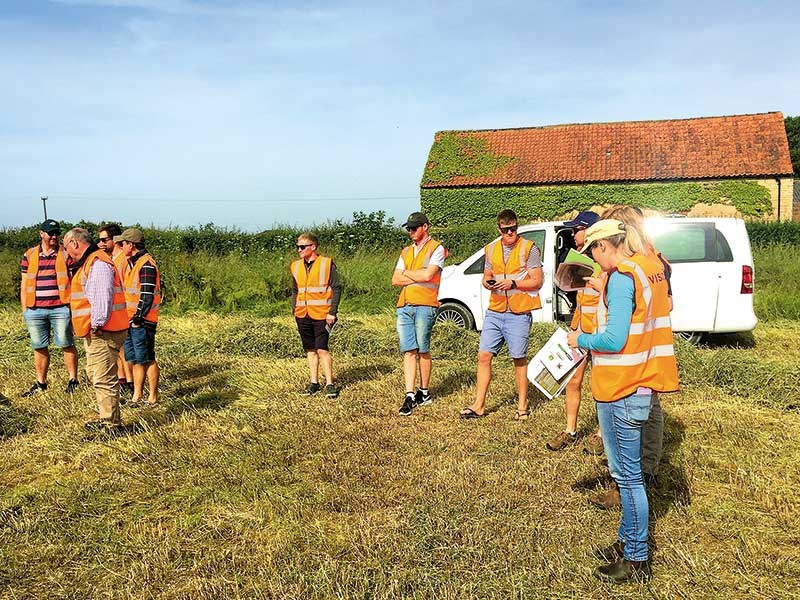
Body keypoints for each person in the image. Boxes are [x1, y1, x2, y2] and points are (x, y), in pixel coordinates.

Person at [567, 219, 679, 583]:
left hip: (620, 387)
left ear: (603, 247)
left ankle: (636, 558)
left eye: (593, 253)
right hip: (639, 384)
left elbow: (614, 340)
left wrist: (580, 339)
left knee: (628, 479)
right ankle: (627, 541)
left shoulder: (619, 278)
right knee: (630, 477)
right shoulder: (639, 272)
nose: (594, 261)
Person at [588, 205, 674, 509]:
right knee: (648, 415)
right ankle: (640, 476)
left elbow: (620, 330)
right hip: (648, 361)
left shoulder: (632, 268)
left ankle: (632, 481)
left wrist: (607, 292)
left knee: (640, 422)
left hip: (632, 366)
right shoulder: (653, 262)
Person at [460, 209, 543, 420]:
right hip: (495, 310)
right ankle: (479, 405)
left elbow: (537, 280)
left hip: (518, 312)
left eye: (513, 229)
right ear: (499, 229)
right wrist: (487, 282)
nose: (510, 233)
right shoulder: (490, 249)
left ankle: (522, 407)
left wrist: (513, 283)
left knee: (519, 359)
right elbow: (487, 274)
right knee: (483, 356)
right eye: (506, 230)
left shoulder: (529, 248)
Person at [63, 227, 130, 432]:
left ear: (74, 243)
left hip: (103, 331)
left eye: (66, 248)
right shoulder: (91, 262)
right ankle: (107, 417)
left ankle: (111, 425)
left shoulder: (97, 263)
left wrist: (97, 325)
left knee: (103, 377)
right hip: (99, 330)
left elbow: (102, 298)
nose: (66, 254)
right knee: (96, 374)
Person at [546, 210, 600, 450]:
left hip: (599, 333)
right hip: (579, 329)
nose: (573, 234)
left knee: (599, 384)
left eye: (577, 229)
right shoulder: (579, 257)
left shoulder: (604, 259)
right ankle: (570, 430)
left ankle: (600, 434)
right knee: (573, 381)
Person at [391, 212, 447, 416]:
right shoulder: (406, 251)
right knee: (408, 350)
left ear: (425, 227)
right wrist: (414, 276)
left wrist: (407, 274)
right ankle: (409, 395)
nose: (410, 231)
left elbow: (429, 274)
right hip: (404, 305)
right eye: (408, 228)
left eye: (414, 228)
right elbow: (395, 279)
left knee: (422, 349)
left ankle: (424, 391)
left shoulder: (437, 248)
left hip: (426, 303)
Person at [19, 219, 80, 396]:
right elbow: (24, 284)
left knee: (66, 343)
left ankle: (73, 380)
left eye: (56, 233)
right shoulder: (29, 255)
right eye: (50, 233)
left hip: (60, 308)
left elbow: (74, 281)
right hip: (34, 309)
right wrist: (25, 310)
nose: (54, 236)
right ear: (41, 234)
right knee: (39, 346)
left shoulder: (65, 254)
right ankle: (41, 383)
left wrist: (72, 307)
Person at [291, 233, 342, 399]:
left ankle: (330, 384)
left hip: (322, 315)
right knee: (310, 349)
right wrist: (294, 309)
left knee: (322, 349)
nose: (299, 250)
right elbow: (295, 290)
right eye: (297, 246)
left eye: (302, 247)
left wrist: (332, 312)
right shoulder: (295, 266)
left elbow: (336, 288)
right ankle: (314, 383)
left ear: (313, 247)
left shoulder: (327, 263)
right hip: (302, 314)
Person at [116, 228, 162, 406]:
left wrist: (137, 318)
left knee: (147, 358)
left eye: (123, 244)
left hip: (143, 322)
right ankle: (137, 396)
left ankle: (153, 397)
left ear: (131, 245)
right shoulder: (133, 263)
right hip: (131, 320)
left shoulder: (146, 265)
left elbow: (147, 295)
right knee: (135, 359)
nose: (121, 247)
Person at [97, 223, 134, 396]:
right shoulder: (112, 259)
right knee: (118, 348)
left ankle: (130, 381)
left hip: (124, 311)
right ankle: (122, 379)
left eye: (104, 240)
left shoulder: (122, 260)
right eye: (99, 241)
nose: (101, 244)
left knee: (124, 349)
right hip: (117, 311)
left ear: (115, 240)